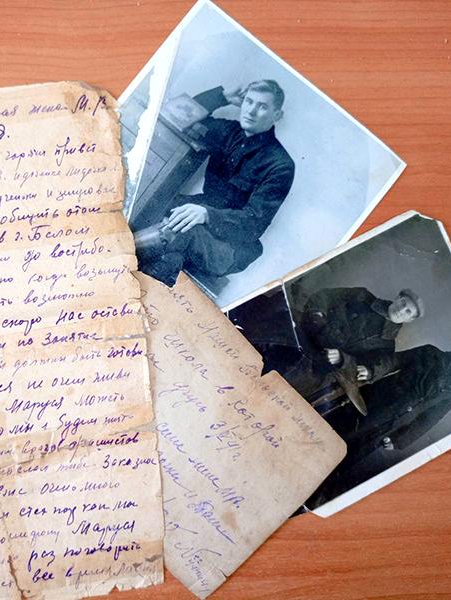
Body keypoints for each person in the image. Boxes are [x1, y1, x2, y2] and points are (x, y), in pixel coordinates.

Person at [136, 80, 295, 285]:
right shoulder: (228, 131)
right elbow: (177, 113)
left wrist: (207, 214)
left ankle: (118, 254)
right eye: (249, 101)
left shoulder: (280, 164)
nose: (251, 111)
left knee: (181, 228)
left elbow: (253, 224)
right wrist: (222, 97)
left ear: (277, 115)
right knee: (155, 202)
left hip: (231, 246)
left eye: (262, 106)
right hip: (201, 214)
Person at [307, 343, 451, 506]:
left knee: (344, 461)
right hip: (370, 406)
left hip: (388, 427)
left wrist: (400, 440)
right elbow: (395, 360)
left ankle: (309, 496)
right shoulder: (430, 353)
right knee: (325, 439)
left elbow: (429, 420)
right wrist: (371, 371)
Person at [277, 287, 424, 411]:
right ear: (398, 298)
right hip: (303, 334)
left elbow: (358, 370)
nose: (401, 310)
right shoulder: (362, 296)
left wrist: (343, 359)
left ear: (409, 320)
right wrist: (317, 313)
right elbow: (325, 295)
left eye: (408, 312)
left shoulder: (386, 347)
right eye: (403, 303)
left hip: (316, 367)